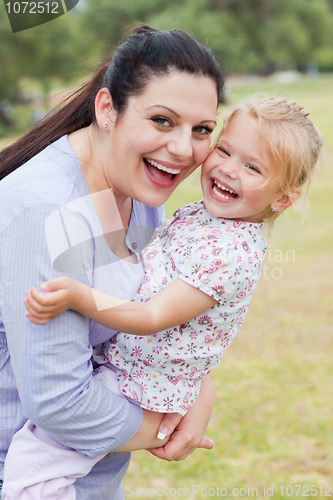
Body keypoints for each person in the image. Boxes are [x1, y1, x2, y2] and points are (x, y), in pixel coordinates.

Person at [5, 95, 323, 498]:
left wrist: (80, 297)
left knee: (33, 467)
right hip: (129, 367)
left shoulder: (230, 253)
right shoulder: (200, 217)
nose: (227, 169)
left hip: (138, 381)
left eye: (252, 167)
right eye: (224, 149)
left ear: (283, 198)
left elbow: (154, 314)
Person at [0, 24, 225, 499]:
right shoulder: (47, 209)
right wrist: (170, 426)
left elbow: (151, 313)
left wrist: (200, 387)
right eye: (162, 120)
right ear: (107, 109)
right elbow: (60, 401)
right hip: (27, 481)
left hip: (94, 477)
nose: (184, 149)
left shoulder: (138, 192)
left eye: (202, 129)